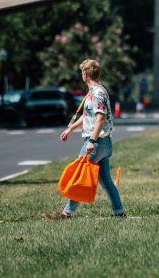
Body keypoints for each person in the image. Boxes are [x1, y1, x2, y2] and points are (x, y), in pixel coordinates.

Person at [45, 59, 125, 219]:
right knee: (106, 181)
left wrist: (92, 141)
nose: (82, 75)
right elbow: (87, 115)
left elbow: (100, 119)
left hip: (96, 143)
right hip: (103, 143)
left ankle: (66, 213)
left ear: (86, 74)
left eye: (82, 72)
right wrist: (70, 129)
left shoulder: (97, 93)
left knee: (79, 175)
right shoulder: (95, 91)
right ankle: (119, 211)